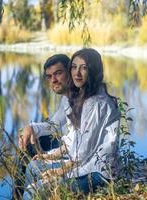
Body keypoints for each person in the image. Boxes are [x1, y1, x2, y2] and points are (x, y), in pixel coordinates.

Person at [23, 48, 121, 200]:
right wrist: (49, 155)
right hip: (85, 163)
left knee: (36, 189)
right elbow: (72, 138)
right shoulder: (83, 97)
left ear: (93, 71)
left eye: (84, 68)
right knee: (32, 167)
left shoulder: (96, 103)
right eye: (74, 67)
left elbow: (82, 151)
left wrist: (58, 171)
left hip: (97, 172)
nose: (77, 73)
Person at [15, 54, 70, 198]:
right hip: (70, 147)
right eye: (49, 76)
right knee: (29, 142)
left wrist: (51, 156)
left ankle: (27, 193)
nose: (53, 80)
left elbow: (83, 148)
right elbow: (54, 125)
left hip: (77, 156)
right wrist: (30, 127)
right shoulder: (68, 98)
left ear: (70, 71)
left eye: (58, 73)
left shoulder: (83, 99)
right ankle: (17, 196)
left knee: (35, 154)